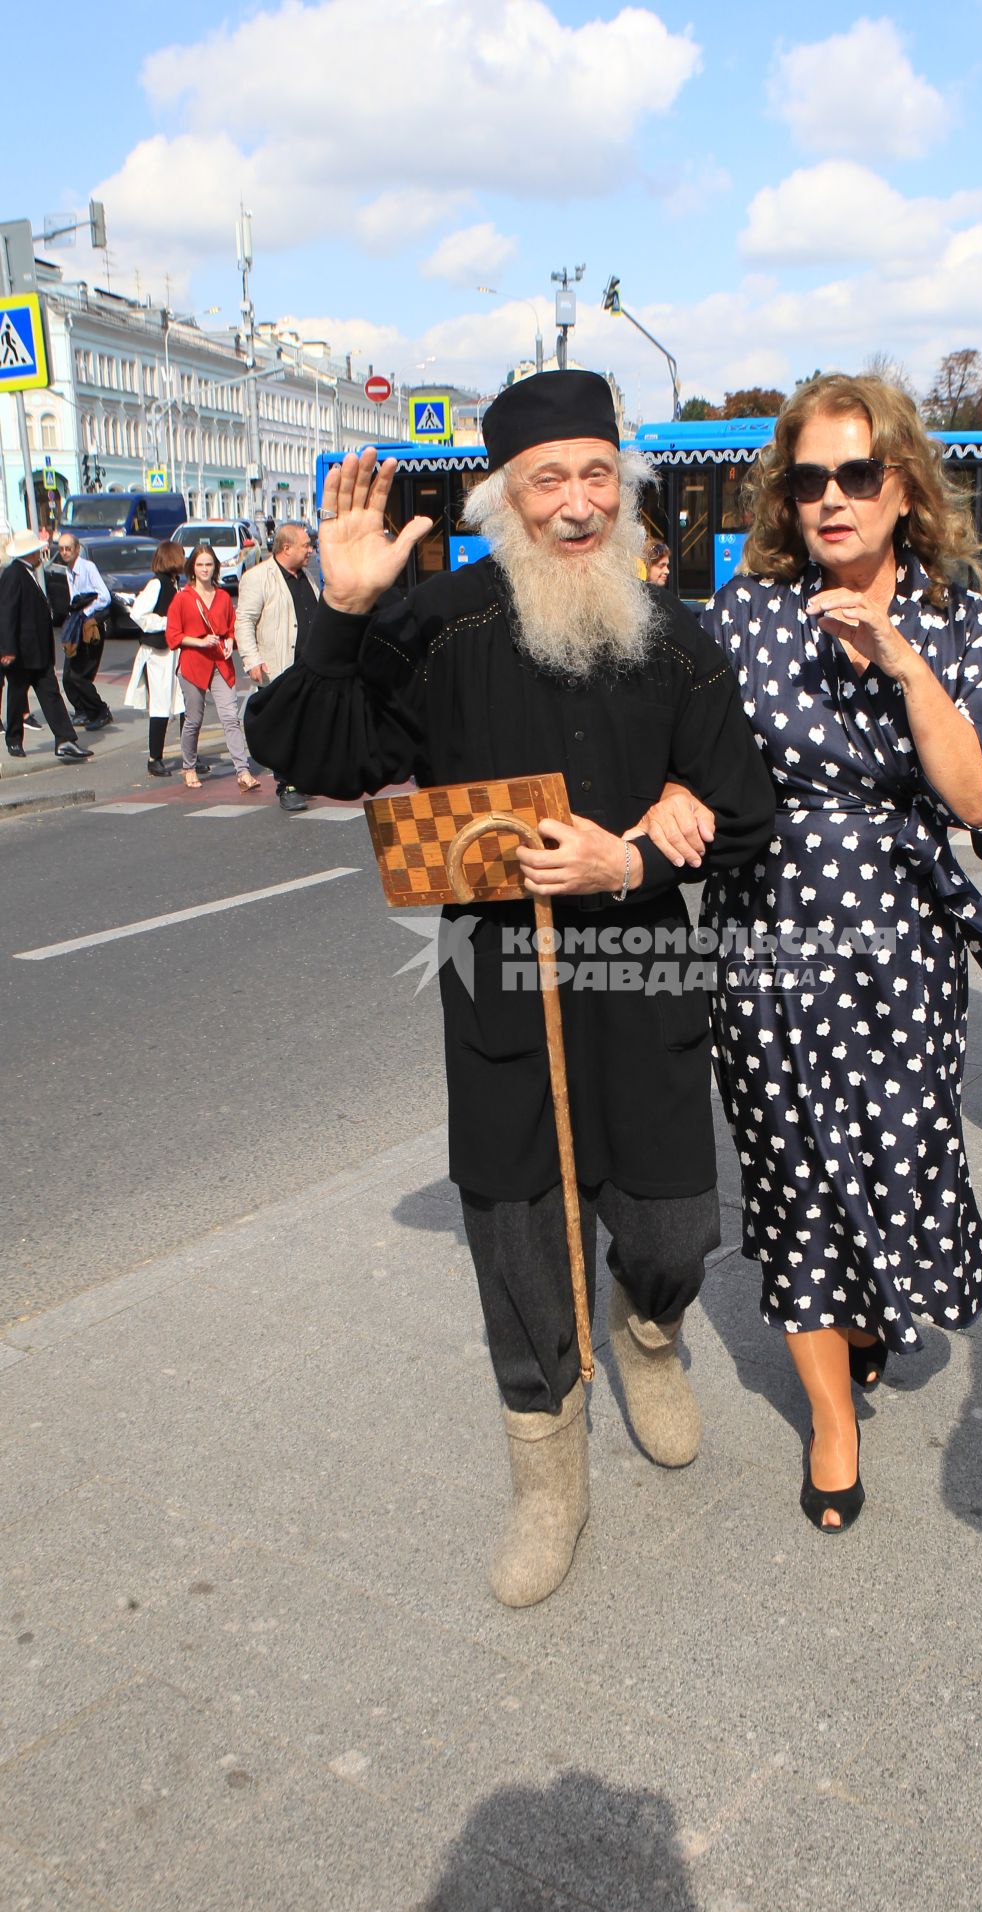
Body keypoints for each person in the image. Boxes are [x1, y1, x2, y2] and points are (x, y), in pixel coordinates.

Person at [245, 370, 775, 1608]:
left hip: (642, 974)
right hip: (499, 984)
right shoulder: (438, 629)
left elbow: (746, 813)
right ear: (505, 498)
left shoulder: (677, 638)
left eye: (599, 475)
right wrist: (339, 610)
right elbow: (309, 753)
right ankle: (545, 1475)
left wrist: (633, 853)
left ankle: (649, 1332)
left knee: (669, 1231)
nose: (579, 503)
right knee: (519, 1237)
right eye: (550, 480)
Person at [640, 373, 982, 1534]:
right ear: (786, 497)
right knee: (788, 1168)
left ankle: (870, 1302)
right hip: (766, 932)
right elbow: (675, 747)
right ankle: (827, 1414)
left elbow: (977, 797)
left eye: (856, 474)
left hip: (900, 945)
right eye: (808, 479)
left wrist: (900, 661)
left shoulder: (960, 625)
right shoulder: (742, 619)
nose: (832, 499)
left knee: (894, 1147)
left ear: (901, 487)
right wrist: (671, 795)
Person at [235, 522, 318, 811]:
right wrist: (251, 659)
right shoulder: (258, 577)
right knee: (284, 727)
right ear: (286, 548)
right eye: (305, 545)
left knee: (305, 726)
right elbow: (244, 621)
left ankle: (300, 778)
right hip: (278, 665)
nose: (311, 549)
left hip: (308, 667)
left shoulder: (306, 576)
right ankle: (287, 785)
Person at [166, 543, 260, 793]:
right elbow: (173, 636)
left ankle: (243, 771)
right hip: (194, 664)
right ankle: (189, 767)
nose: (205, 569)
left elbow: (232, 627)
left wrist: (229, 641)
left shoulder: (222, 597)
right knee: (193, 719)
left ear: (215, 567)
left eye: (209, 564)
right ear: (192, 569)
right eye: (200, 565)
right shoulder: (182, 598)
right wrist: (199, 641)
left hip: (220, 662)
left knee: (230, 718)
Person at [1, 529, 92, 763]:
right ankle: (13, 739)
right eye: (37, 549)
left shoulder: (29, 573)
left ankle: (65, 740)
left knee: (50, 694)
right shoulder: (14, 574)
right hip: (22, 652)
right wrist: (8, 649)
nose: (41, 553)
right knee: (17, 695)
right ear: (29, 552)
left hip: (38, 652)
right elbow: (7, 614)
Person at [123, 540, 187, 776]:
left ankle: (188, 754)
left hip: (175, 650)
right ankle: (154, 757)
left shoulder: (174, 582)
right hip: (159, 651)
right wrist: (167, 623)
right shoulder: (156, 584)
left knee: (183, 702)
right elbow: (137, 613)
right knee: (161, 703)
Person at [55, 532, 113, 731]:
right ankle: (82, 710)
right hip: (77, 626)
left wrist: (85, 613)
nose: (64, 552)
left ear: (77, 549)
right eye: (61, 548)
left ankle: (101, 711)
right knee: (68, 676)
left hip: (90, 628)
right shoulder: (68, 571)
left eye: (68, 548)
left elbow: (105, 597)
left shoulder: (88, 568)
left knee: (80, 675)